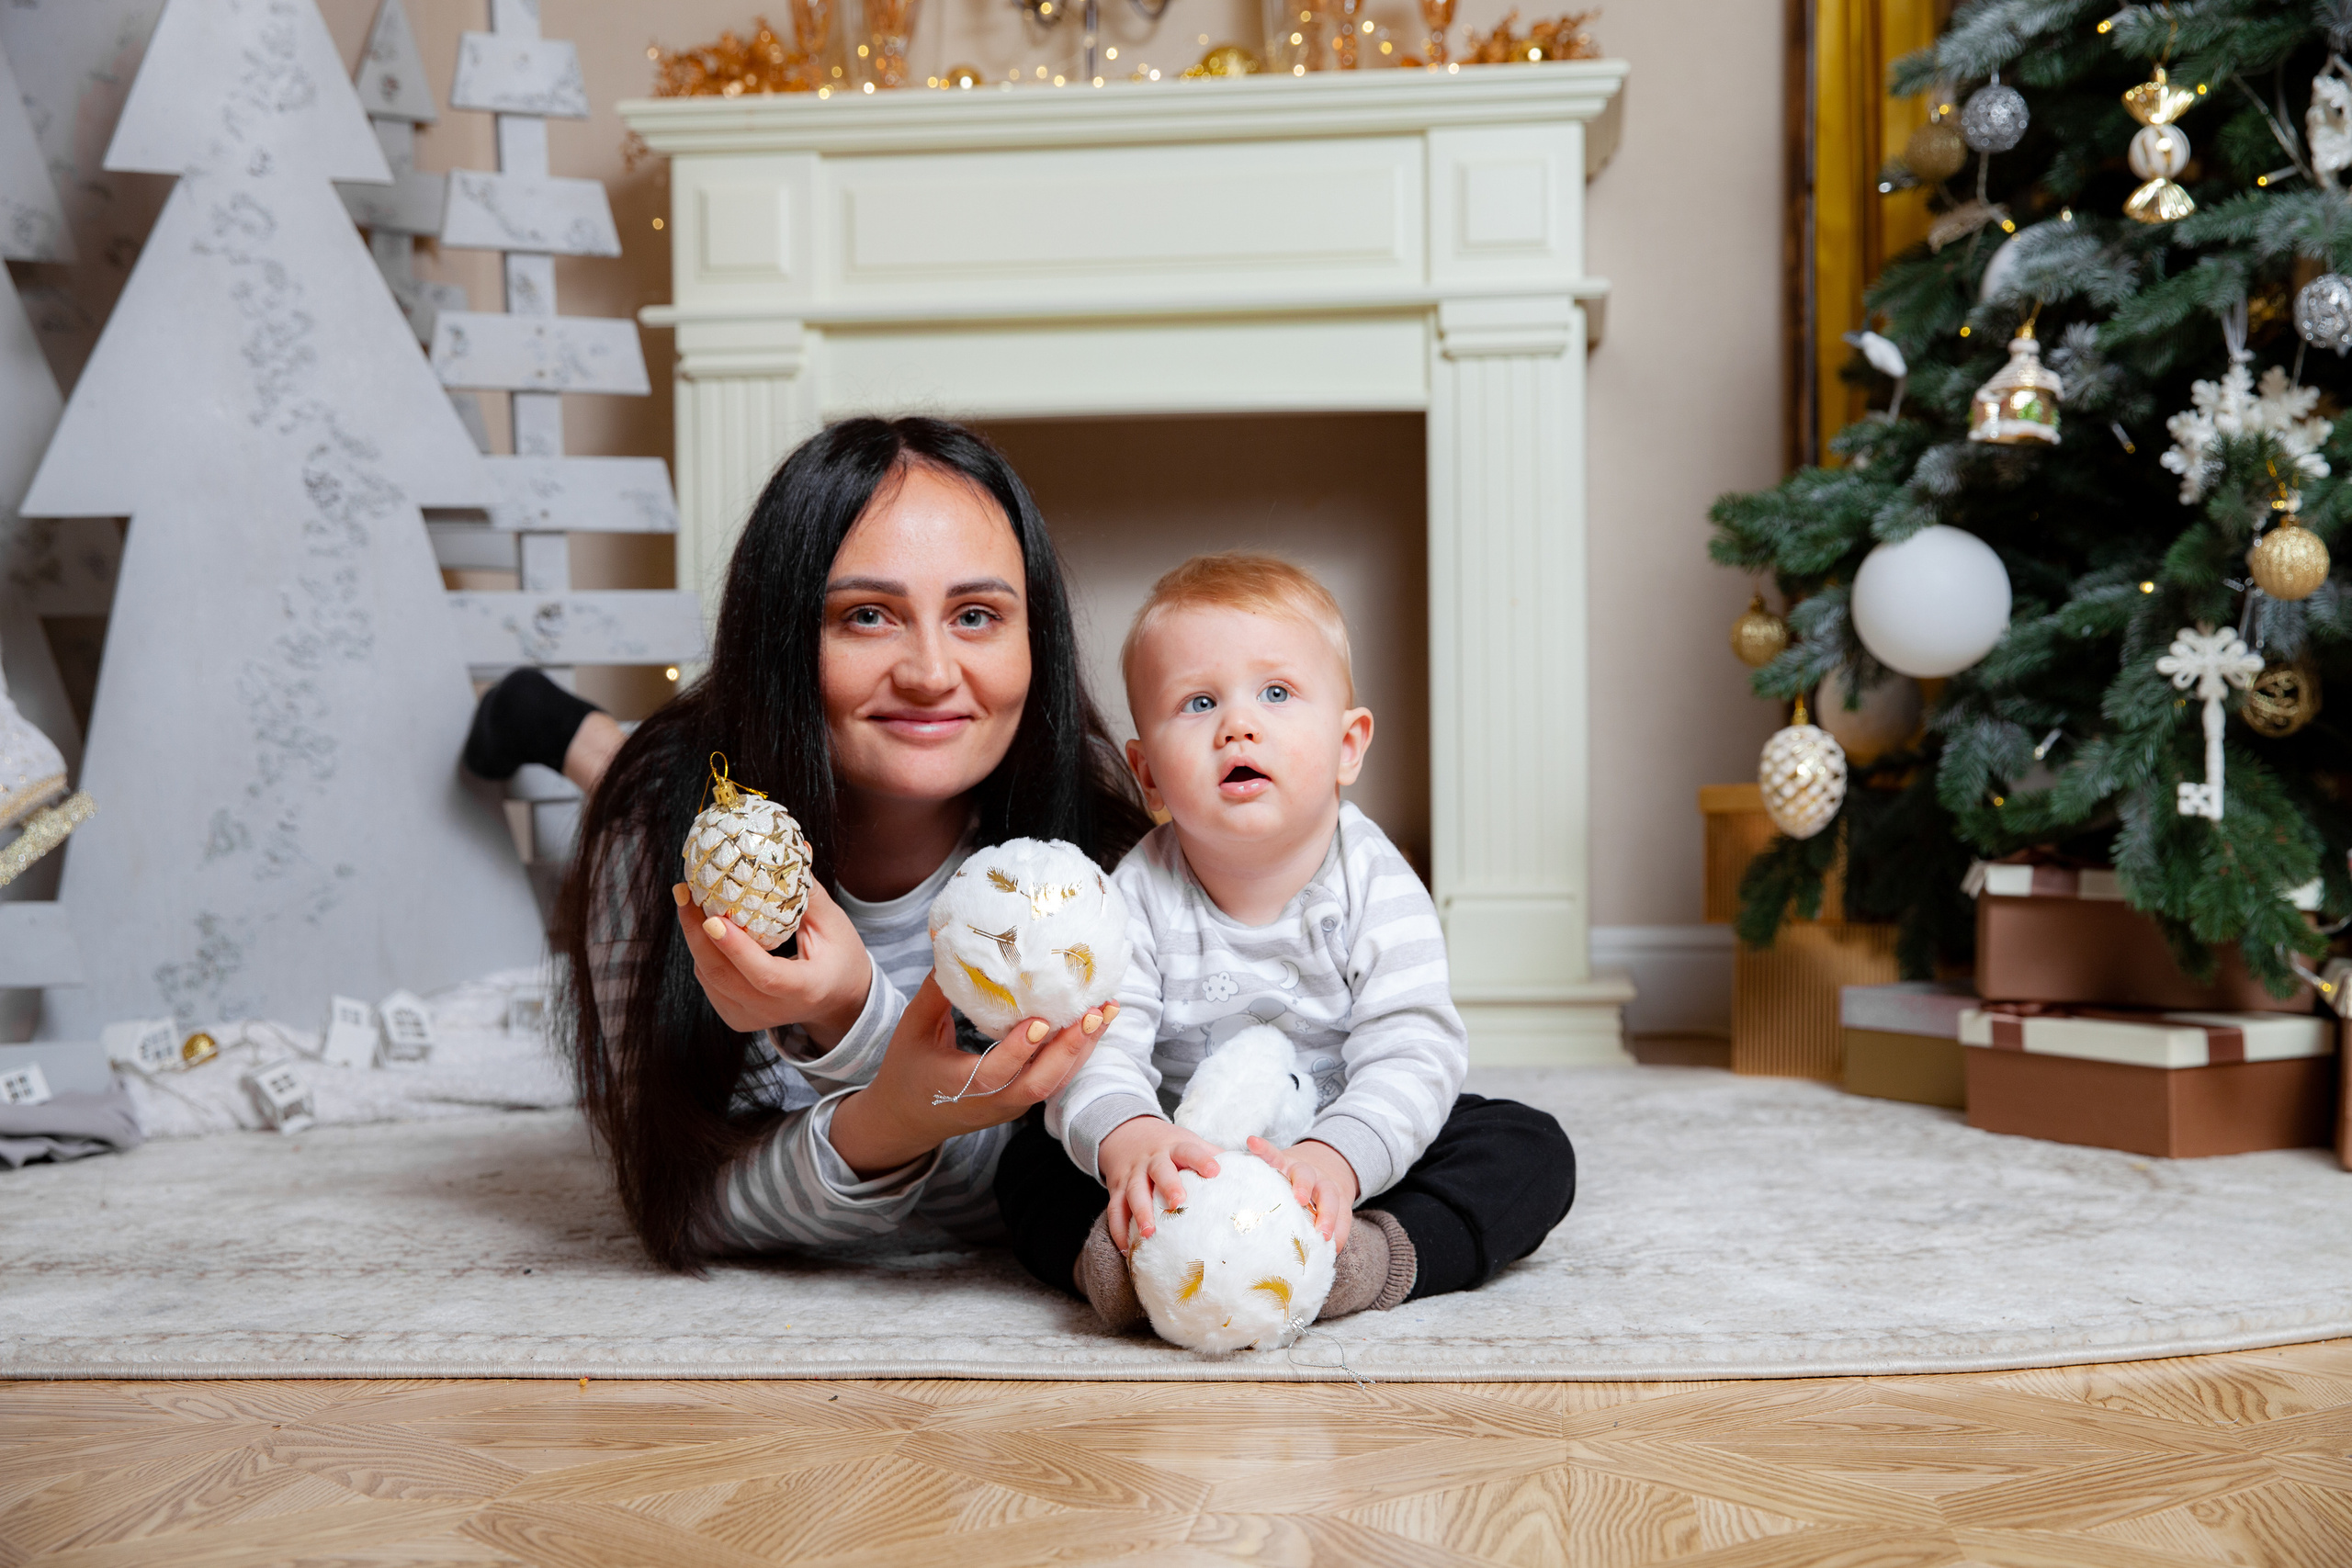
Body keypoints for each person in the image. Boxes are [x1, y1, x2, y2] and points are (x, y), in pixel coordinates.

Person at [501, 418, 1151, 1270]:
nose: (929, 673)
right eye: (869, 615)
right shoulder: (655, 824)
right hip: (705, 770)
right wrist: (882, 1089)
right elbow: (681, 1205)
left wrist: (851, 1017)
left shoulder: (1097, 854)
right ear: (782, 639)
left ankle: (569, 729)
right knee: (638, 767)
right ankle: (551, 724)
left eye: (978, 614)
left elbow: (1025, 1197)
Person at [994, 553, 1577, 1328]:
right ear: (1149, 777)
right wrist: (1135, 1140)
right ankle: (1124, 1259)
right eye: (1198, 701)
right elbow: (1103, 1044)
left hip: (1337, 1156)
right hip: (1181, 1165)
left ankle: (1358, 1261)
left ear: (1348, 745)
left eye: (1276, 692)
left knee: (1528, 1147)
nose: (1239, 723)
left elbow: (1412, 1047)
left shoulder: (1376, 882)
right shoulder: (1134, 894)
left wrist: (1337, 1160)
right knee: (1028, 1161)